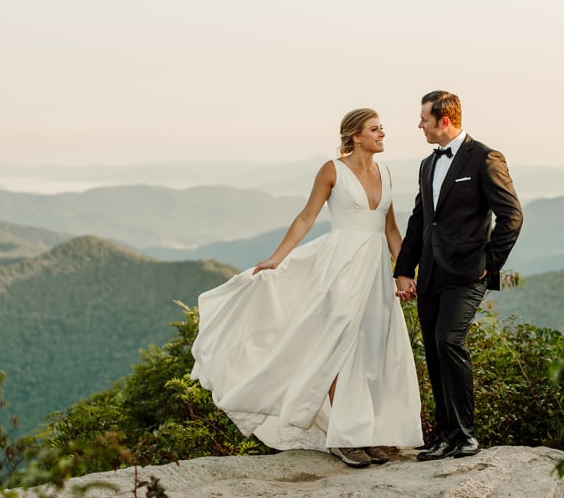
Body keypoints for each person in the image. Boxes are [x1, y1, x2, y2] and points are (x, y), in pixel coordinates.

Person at [191, 109, 424, 468]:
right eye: (375, 129)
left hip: (376, 271)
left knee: (373, 349)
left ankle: (370, 433)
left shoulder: (387, 173)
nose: (382, 134)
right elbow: (306, 217)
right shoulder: (332, 170)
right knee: (339, 345)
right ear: (356, 136)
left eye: (382, 129)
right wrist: (276, 258)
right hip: (340, 267)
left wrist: (405, 272)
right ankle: (345, 437)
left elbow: (392, 230)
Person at [393, 91, 523, 461]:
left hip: (467, 273)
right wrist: (404, 270)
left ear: (444, 120)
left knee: (449, 340)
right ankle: (445, 436)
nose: (419, 125)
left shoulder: (485, 158)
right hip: (431, 273)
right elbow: (419, 220)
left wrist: (489, 262)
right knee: (434, 350)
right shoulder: (427, 165)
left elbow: (512, 215)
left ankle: (466, 436)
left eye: (424, 119)